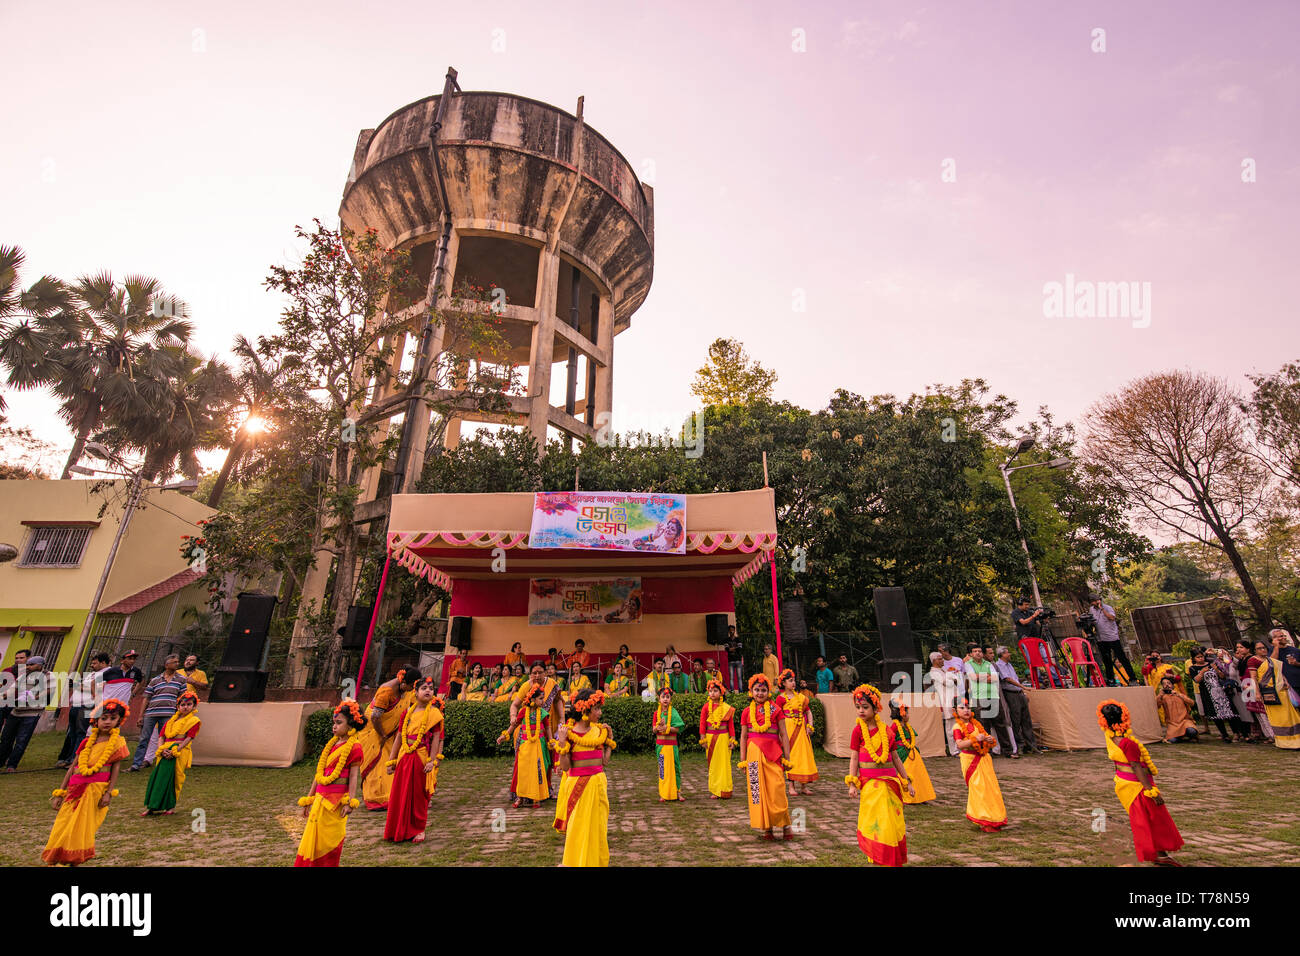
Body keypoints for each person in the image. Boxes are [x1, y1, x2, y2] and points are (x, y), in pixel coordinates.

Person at [42, 699, 130, 864]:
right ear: (95, 720)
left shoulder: (118, 743)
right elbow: (72, 768)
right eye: (103, 718)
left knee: (81, 825)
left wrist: (108, 793)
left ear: (119, 721)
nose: (107, 722)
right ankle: (57, 854)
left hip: (94, 790)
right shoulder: (86, 742)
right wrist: (60, 793)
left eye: (112, 718)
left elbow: (115, 769)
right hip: (74, 787)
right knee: (64, 823)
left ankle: (74, 857)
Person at [1097, 700, 1183, 866]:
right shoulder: (1127, 743)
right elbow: (1136, 766)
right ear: (1125, 718)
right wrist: (1151, 791)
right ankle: (1161, 855)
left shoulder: (1110, 737)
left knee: (1144, 820)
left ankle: (1159, 854)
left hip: (1124, 784)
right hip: (1138, 786)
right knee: (1153, 819)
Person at [845, 683, 913, 865]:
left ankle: (890, 853)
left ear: (876, 708)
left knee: (890, 819)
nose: (860, 711)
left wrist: (907, 781)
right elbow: (854, 758)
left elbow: (896, 758)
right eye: (858, 707)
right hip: (869, 784)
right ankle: (877, 854)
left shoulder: (887, 731)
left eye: (865, 707)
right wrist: (852, 783)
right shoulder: (858, 730)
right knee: (875, 819)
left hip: (889, 783)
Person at [294, 699, 366, 866]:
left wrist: (350, 803)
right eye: (334, 722)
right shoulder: (331, 746)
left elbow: (354, 776)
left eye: (339, 723)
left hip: (336, 803)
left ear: (351, 725)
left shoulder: (354, 747)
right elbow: (319, 775)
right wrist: (309, 799)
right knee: (312, 839)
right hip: (320, 800)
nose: (334, 726)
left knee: (330, 840)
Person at [553, 688, 616, 866]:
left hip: (598, 784)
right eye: (596, 708)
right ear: (585, 710)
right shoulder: (569, 733)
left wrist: (609, 742)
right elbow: (565, 767)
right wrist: (563, 742)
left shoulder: (598, 732)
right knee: (578, 828)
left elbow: (604, 762)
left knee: (598, 828)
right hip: (578, 787)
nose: (600, 712)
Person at [383, 676, 444, 843]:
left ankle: (418, 829)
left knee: (418, 796)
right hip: (404, 755)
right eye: (424, 688)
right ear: (415, 693)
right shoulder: (407, 713)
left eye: (431, 689)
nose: (428, 691)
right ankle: (396, 828)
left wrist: (432, 761)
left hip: (421, 756)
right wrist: (391, 760)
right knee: (399, 793)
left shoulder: (434, 714)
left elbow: (436, 739)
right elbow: (398, 737)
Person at [737, 673, 793, 840]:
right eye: (756, 690)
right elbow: (743, 737)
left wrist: (787, 758)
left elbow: (784, 734)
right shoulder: (747, 712)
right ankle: (767, 828)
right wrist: (743, 760)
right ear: (751, 692)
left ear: (768, 692)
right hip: (753, 754)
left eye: (763, 690)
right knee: (757, 791)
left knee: (777, 789)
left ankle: (785, 825)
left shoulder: (776, 709)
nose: (759, 693)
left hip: (773, 754)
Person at [357, 667, 416, 810]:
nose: (410, 690)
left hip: (389, 734)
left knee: (390, 764)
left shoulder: (405, 691)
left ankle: (390, 798)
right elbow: (375, 717)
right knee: (375, 766)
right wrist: (383, 735)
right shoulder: (386, 692)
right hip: (374, 732)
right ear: (404, 683)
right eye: (410, 686)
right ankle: (374, 799)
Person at [141, 690, 201, 815]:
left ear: (194, 706)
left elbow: (189, 738)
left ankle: (170, 807)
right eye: (182, 704)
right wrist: (162, 749)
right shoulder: (170, 721)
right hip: (164, 751)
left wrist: (175, 750)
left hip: (180, 751)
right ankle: (152, 806)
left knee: (174, 779)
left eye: (189, 704)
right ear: (177, 706)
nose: (185, 707)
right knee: (158, 778)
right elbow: (161, 736)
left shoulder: (194, 721)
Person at [953, 697, 1007, 832]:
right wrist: (974, 740)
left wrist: (989, 739)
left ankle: (994, 817)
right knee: (979, 789)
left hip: (984, 759)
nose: (966, 710)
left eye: (968, 708)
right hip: (970, 760)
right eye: (962, 708)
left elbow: (985, 737)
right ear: (954, 711)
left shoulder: (977, 724)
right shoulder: (957, 726)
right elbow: (959, 744)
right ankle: (983, 819)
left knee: (990, 788)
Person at [503, 674, 553, 809]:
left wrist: (551, 741)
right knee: (523, 771)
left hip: (539, 745)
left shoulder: (542, 713)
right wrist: (505, 735)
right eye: (540, 699)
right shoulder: (522, 712)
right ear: (532, 699)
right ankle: (521, 797)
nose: (543, 701)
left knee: (537, 770)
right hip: (525, 746)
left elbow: (548, 728)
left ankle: (536, 797)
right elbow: (514, 725)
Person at [131, 655, 188, 771]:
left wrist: (179, 715)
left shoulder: (181, 679)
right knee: (144, 738)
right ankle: (136, 764)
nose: (177, 664)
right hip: (151, 714)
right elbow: (146, 698)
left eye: (178, 662)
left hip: (169, 714)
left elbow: (182, 698)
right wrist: (141, 715)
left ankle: (162, 763)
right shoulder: (155, 680)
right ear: (167, 665)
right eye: (174, 662)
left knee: (166, 739)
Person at [58, 652, 110, 768]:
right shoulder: (92, 674)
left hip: (88, 706)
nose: (92, 665)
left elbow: (95, 688)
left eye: (95, 663)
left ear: (103, 663)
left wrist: (77, 685)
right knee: (72, 732)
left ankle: (75, 760)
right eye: (92, 663)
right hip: (77, 705)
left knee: (81, 732)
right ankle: (69, 757)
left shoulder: (107, 674)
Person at [1188, 648, 1248, 743]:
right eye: (1198, 657)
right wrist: (1202, 672)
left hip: (1221, 691)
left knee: (1230, 712)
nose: (1201, 658)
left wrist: (1216, 669)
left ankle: (1236, 733)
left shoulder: (1212, 664)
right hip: (1208, 693)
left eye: (1202, 656)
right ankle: (1224, 734)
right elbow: (1196, 680)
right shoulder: (1192, 668)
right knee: (1216, 715)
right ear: (1194, 658)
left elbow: (1223, 676)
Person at [0, 655, 47, 771]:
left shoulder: (48, 676)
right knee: (5, 738)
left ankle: (11, 765)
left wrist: (31, 697)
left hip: (31, 713)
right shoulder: (23, 677)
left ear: (40, 666)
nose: (28, 667)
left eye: (31, 665)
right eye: (28, 665)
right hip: (16, 711)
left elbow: (47, 692)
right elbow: (11, 690)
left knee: (21, 740)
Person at [964, 646, 1012, 757]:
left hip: (993, 696)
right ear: (971, 654)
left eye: (980, 651)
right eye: (975, 651)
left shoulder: (988, 664)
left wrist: (981, 677)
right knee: (982, 725)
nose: (978, 653)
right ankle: (986, 751)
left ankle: (1007, 750)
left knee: (1000, 724)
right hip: (978, 697)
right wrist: (987, 676)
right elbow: (973, 677)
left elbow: (995, 678)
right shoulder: (968, 664)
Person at [776, 669, 817, 794]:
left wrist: (810, 725)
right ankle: (791, 786)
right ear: (783, 683)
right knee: (790, 756)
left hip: (801, 730)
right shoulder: (781, 698)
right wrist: (778, 733)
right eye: (790, 681)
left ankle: (804, 786)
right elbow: (777, 716)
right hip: (788, 728)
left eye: (794, 680)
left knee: (803, 756)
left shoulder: (801, 698)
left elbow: (808, 711)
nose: (793, 683)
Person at [1257, 630, 1300, 749]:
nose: (1282, 638)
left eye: (1283, 636)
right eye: (1279, 636)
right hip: (1285, 688)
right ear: (1272, 640)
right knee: (1293, 715)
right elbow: (1272, 664)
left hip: (1297, 682)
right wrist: (1275, 646)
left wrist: (1296, 664)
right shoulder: (1271, 652)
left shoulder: (1295, 651)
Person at [994, 647, 1040, 754]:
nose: (1009, 654)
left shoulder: (1009, 665)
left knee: (1026, 719)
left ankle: (1031, 745)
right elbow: (1008, 679)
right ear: (1002, 654)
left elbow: (1014, 678)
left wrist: (1022, 691)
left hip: (1019, 693)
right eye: (1007, 652)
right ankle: (1019, 745)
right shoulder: (999, 665)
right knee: (1016, 719)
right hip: (1011, 694)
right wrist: (1024, 687)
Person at [889, 698, 935, 803]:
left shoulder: (907, 726)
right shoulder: (895, 725)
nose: (908, 715)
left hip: (911, 751)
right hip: (902, 752)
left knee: (917, 773)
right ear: (902, 713)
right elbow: (890, 737)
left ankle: (919, 794)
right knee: (907, 772)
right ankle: (907, 795)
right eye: (907, 712)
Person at [699, 678, 735, 799]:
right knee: (713, 765)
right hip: (710, 739)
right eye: (710, 691)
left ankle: (725, 789)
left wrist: (733, 739)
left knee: (724, 764)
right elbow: (702, 724)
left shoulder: (726, 708)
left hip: (723, 738)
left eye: (715, 691)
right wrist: (702, 738)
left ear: (721, 692)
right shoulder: (705, 707)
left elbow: (731, 725)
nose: (712, 693)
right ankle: (715, 790)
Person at [1088, 595, 1132, 685]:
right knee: (1106, 660)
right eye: (1093, 601)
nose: (1095, 603)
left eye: (1096, 601)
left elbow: (1112, 618)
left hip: (1112, 637)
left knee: (1122, 658)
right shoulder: (1091, 609)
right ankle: (1110, 679)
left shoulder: (1108, 608)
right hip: (1101, 638)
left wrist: (1102, 610)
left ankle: (1132, 678)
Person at [652, 686, 685, 801]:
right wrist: (659, 727)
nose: (665, 699)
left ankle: (678, 792)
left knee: (676, 768)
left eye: (668, 697)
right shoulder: (656, 713)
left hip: (672, 745)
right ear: (659, 699)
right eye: (663, 697)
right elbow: (654, 730)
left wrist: (667, 727)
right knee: (662, 769)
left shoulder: (674, 713)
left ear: (670, 699)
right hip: (661, 745)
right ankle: (663, 793)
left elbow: (678, 729)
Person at [925, 652, 961, 756]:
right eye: (940, 659)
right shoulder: (934, 672)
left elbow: (957, 680)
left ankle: (959, 747)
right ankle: (954, 750)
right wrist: (952, 678)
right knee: (950, 726)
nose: (942, 661)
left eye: (942, 658)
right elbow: (949, 682)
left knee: (957, 723)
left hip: (954, 698)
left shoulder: (944, 670)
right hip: (946, 700)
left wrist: (953, 679)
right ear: (934, 661)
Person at [1156, 678, 1199, 743]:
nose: (1167, 685)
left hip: (1185, 721)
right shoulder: (1163, 697)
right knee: (1172, 740)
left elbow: (1192, 703)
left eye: (1168, 683)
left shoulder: (1179, 694)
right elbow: (1156, 706)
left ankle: (1183, 735)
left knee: (1192, 732)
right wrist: (1160, 695)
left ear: (1173, 685)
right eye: (1164, 684)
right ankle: (1181, 736)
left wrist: (1179, 695)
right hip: (1173, 724)